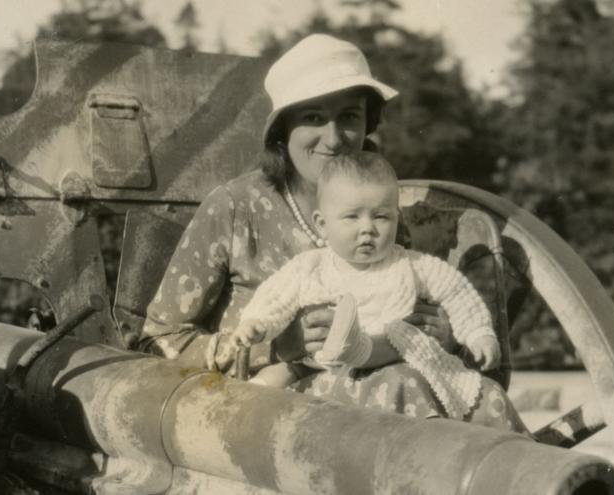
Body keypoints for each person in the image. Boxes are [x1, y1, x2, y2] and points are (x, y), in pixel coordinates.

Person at [141, 33, 528, 432]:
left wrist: (445, 337)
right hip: (263, 413)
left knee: (479, 398)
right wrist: (274, 347)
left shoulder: (375, 209)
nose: (333, 137)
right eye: (312, 118)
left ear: (367, 123)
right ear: (282, 129)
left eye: (349, 117)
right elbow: (157, 342)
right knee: (403, 387)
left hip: (384, 401)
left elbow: (408, 301)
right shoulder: (235, 209)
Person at [230, 151, 500, 421]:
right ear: (323, 225)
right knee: (273, 379)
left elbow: (456, 291)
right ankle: (247, 416)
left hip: (390, 359)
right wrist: (256, 324)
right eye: (351, 217)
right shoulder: (310, 267)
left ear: (397, 218)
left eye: (381, 217)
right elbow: (276, 297)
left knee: (416, 357)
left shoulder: (411, 265)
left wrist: (478, 333)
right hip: (318, 365)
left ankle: (360, 349)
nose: (367, 228)